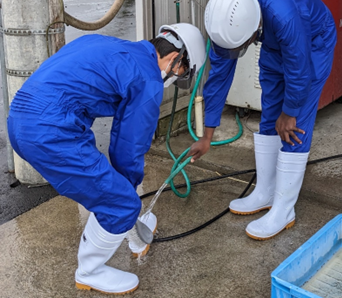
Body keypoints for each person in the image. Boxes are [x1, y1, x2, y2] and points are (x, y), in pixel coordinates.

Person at [7, 23, 206, 294]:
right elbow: (128, 147)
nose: (176, 78)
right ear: (175, 59)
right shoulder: (147, 78)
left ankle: (126, 226)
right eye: (182, 72)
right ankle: (89, 271)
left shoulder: (108, 46)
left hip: (20, 118)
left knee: (109, 190)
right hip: (50, 132)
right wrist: (128, 198)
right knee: (118, 201)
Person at [188, 0, 337, 241]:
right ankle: (266, 192)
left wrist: (290, 112)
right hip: (272, 42)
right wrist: (207, 136)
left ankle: (284, 210)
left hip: (312, 41)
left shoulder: (283, 16)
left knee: (294, 126)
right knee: (270, 114)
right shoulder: (225, 23)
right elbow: (219, 79)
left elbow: (299, 69)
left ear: (253, 30)